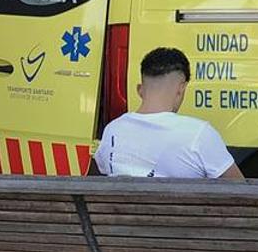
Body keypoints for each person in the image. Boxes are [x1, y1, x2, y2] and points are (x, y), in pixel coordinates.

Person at [90, 47, 243, 179]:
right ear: (181, 88)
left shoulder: (113, 130)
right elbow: (241, 190)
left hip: (117, 213)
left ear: (140, 89)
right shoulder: (199, 134)